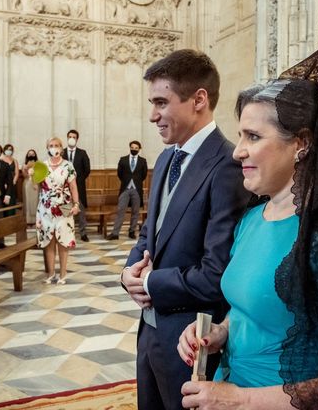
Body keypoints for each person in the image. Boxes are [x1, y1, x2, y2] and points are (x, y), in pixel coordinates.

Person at [177, 43, 318, 410]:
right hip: (229, 389)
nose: (238, 150)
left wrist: (241, 401)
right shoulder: (253, 217)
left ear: (300, 143)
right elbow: (253, 310)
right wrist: (221, 332)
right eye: (240, 136)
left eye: (253, 137)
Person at [122, 49, 250, 410]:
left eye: (161, 102)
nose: (152, 115)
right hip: (149, 331)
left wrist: (149, 284)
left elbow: (216, 275)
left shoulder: (228, 165)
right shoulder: (166, 159)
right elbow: (151, 232)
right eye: (152, 103)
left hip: (191, 339)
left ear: (198, 99)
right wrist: (127, 274)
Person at [37, 137, 80, 285]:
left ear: (61, 148)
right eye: (51, 145)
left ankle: (62, 274)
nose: (54, 148)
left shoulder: (68, 165)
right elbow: (37, 186)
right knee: (49, 240)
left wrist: (76, 204)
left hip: (65, 205)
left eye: (56, 145)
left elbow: (73, 186)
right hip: (46, 206)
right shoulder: (42, 166)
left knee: (63, 239)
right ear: (47, 148)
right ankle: (50, 273)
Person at [107, 140, 148, 240]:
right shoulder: (123, 160)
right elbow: (119, 174)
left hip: (137, 190)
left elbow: (144, 175)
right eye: (132, 148)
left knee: (135, 212)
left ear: (139, 149)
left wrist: (136, 182)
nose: (134, 149)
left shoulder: (143, 161)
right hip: (125, 188)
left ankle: (132, 231)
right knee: (120, 210)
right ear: (130, 148)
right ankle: (115, 233)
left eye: (136, 148)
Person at [62, 130, 90, 242]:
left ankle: (83, 233)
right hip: (64, 187)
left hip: (79, 186)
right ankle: (67, 233)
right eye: (70, 136)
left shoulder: (82, 153)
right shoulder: (62, 152)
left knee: (81, 210)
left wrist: (78, 179)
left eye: (74, 137)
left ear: (77, 139)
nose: (72, 138)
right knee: (66, 210)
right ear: (67, 138)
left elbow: (87, 169)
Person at [0, 143, 20, 216]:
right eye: (7, 149)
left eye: (10, 150)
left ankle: (11, 218)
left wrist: (13, 182)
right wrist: (3, 183)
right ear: (4, 150)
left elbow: (17, 173)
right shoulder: (0, 159)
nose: (9, 151)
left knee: (12, 202)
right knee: (3, 202)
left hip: (12, 183)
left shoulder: (14, 160)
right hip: (3, 184)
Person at [21, 149, 39, 227]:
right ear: (27, 155)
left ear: (35, 155)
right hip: (27, 183)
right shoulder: (24, 164)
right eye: (29, 154)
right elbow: (24, 175)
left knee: (36, 201)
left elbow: (40, 174)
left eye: (33, 154)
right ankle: (28, 221)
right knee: (27, 202)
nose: (31, 155)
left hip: (36, 183)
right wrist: (26, 170)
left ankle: (36, 221)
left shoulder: (38, 164)